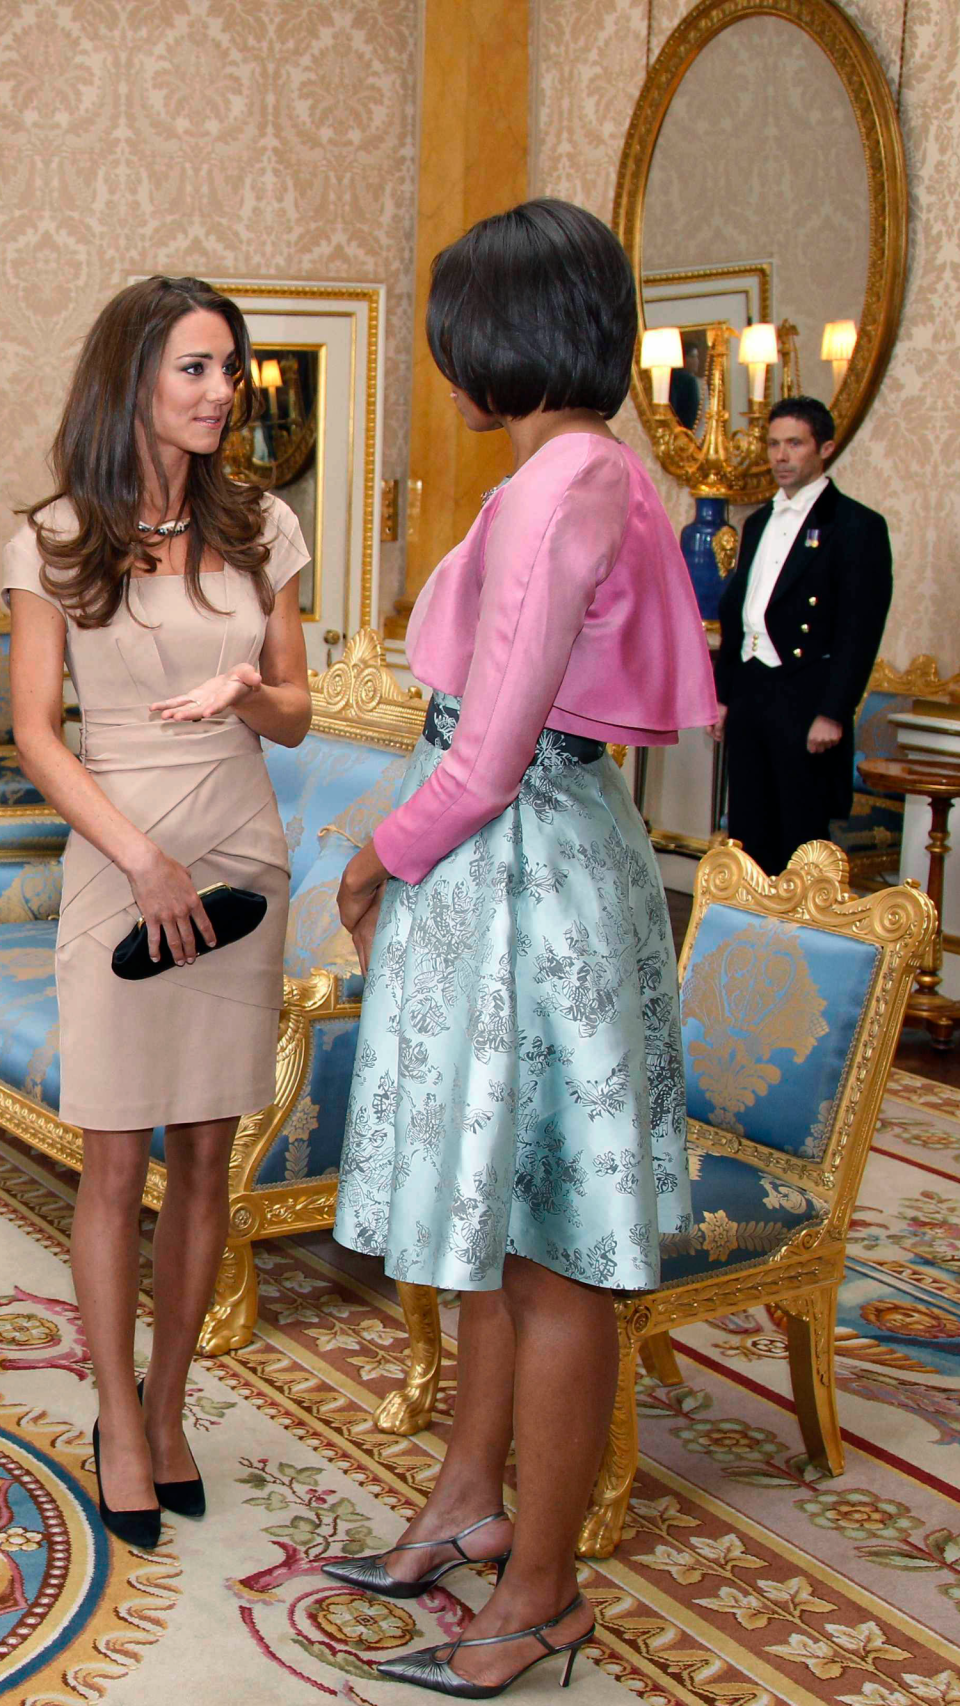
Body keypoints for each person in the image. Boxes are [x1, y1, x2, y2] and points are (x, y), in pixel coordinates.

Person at [324, 200, 717, 1697]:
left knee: (548, 1249)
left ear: (500, 332)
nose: (445, 361)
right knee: (497, 1228)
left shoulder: (563, 482)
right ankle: (467, 1501)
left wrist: (372, 858)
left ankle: (544, 1593)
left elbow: (489, 755)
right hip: (543, 859)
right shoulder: (590, 468)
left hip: (526, 876)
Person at [3, 276, 312, 1549]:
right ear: (134, 374)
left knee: (204, 1161)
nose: (220, 391)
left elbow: (298, 707)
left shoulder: (263, 527)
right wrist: (135, 856)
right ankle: (115, 1420)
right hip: (117, 852)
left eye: (231, 369)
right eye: (195, 367)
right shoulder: (52, 536)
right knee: (115, 1154)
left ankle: (172, 1408)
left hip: (240, 853)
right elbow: (34, 729)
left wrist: (249, 690)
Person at [713, 395, 893, 876]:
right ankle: (748, 943)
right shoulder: (756, 523)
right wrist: (723, 696)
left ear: (825, 448)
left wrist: (833, 712)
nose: (780, 456)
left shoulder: (856, 527)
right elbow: (740, 614)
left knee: (800, 838)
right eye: (773, 444)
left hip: (807, 697)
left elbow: (860, 628)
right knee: (748, 831)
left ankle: (796, 948)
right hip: (753, 690)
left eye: (794, 443)